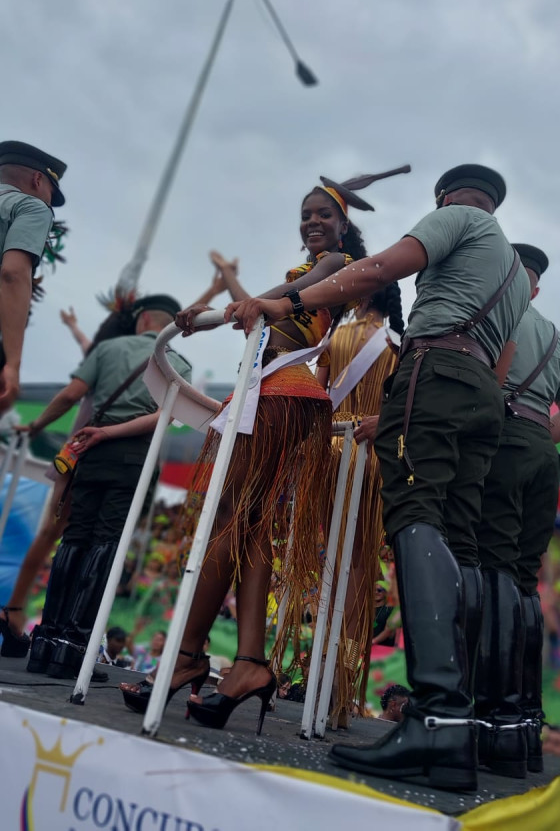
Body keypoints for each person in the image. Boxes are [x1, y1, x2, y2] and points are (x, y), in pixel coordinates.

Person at [228, 164, 530, 790]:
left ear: (447, 197)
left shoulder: (458, 218)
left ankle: (434, 718)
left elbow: (379, 269)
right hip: (480, 395)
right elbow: (501, 369)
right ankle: (459, 726)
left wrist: (288, 300)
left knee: (413, 518)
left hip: (437, 369)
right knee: (463, 541)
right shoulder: (512, 273)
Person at [118, 171, 393, 732]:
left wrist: (229, 304)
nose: (312, 221)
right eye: (306, 214)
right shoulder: (299, 278)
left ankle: (192, 656)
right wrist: (213, 312)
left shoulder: (334, 265)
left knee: (230, 518)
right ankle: (244, 664)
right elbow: (267, 311)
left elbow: (277, 304)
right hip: (275, 394)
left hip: (283, 397)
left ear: (343, 225)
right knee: (247, 525)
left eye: (323, 214)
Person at [24, 295, 191, 680]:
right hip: (132, 459)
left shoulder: (109, 348)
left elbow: (70, 396)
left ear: (143, 318)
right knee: (105, 544)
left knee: (75, 538)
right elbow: (164, 418)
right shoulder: (177, 363)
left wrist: (36, 426)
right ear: (165, 322)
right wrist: (111, 433)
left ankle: (46, 642)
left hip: (90, 455)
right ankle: (75, 647)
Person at [474, 244, 560, 779]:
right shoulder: (559, 336)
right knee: (523, 581)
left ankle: (488, 721)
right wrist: (536, 435)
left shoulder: (496, 312)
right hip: (545, 451)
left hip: (504, 438)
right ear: (536, 287)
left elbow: (487, 384)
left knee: (493, 570)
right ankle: (524, 729)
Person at [315, 282, 404, 727]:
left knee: (324, 567)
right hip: (371, 459)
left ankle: (311, 675)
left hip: (328, 452)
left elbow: (317, 400)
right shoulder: (397, 346)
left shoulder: (335, 337)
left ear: (362, 296)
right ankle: (342, 690)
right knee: (358, 573)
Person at [0, 141, 67, 413]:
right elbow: (12, 274)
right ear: (38, 179)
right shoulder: (31, 207)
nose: (49, 202)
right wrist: (12, 364)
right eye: (51, 193)